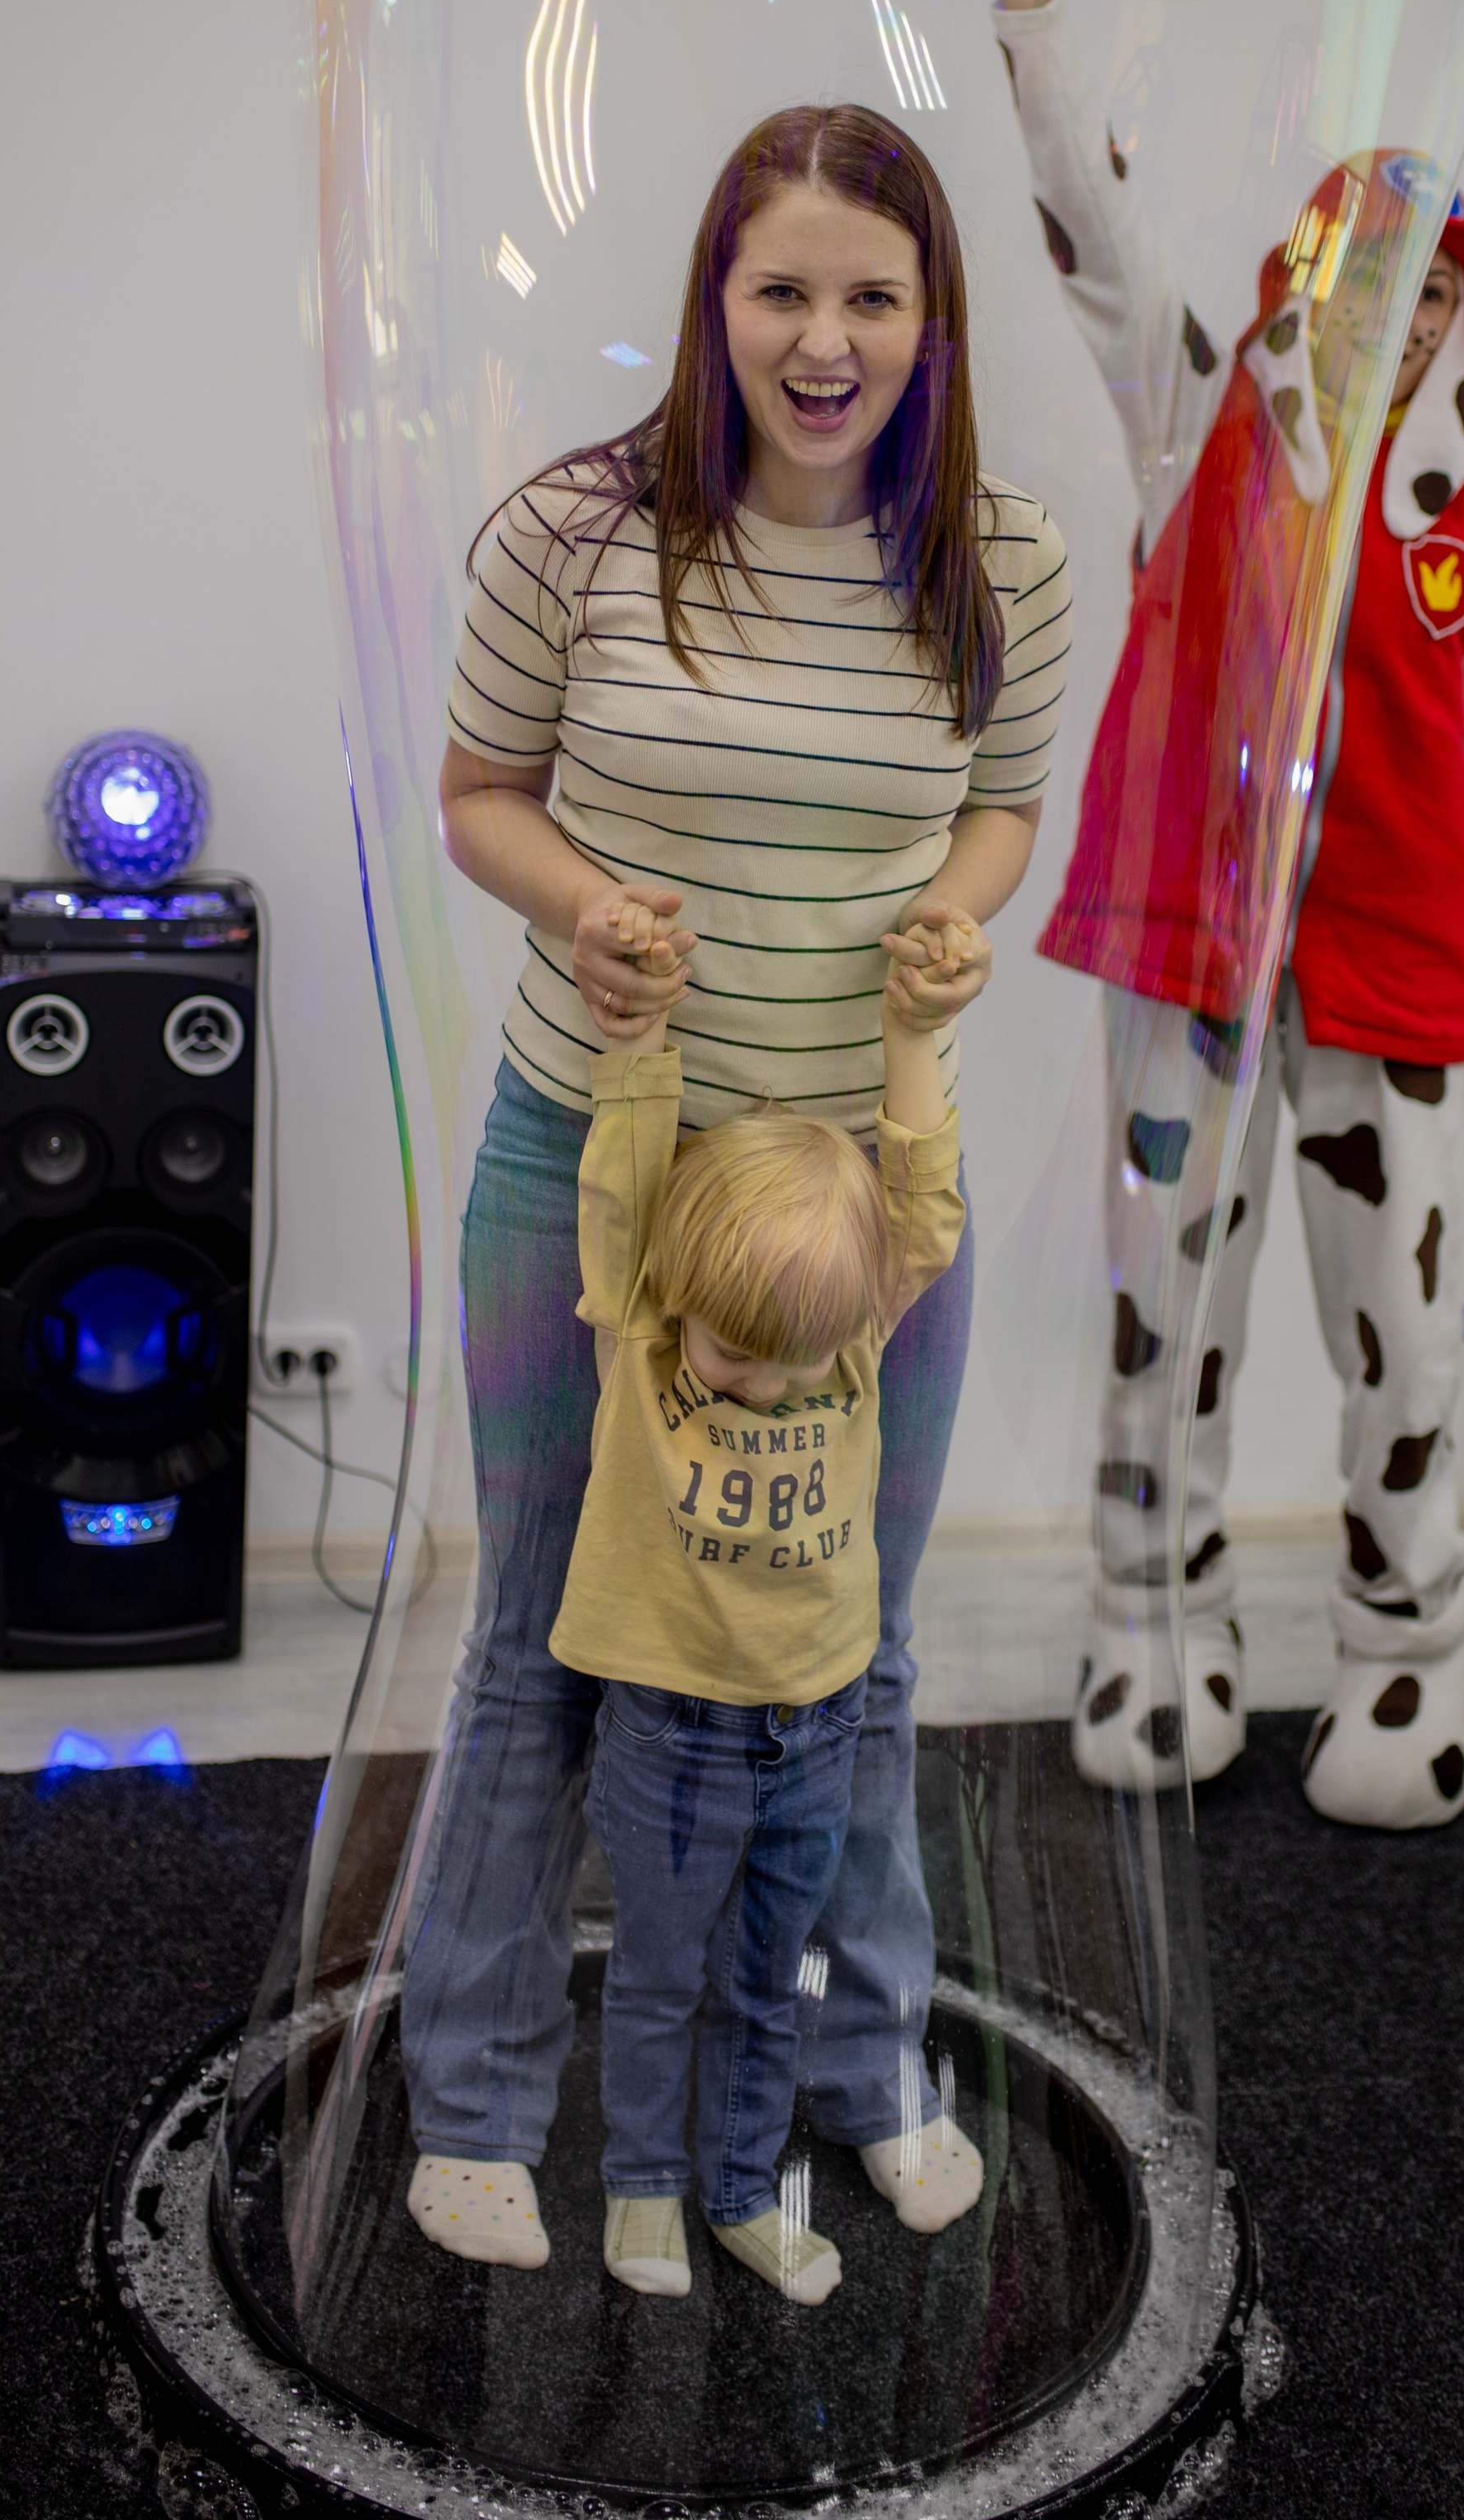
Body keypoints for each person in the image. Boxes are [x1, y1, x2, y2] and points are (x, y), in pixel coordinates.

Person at [399, 102, 1071, 2264]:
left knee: (854, 1651)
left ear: (931, 321)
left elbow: (1004, 810)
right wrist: (585, 903)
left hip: (862, 1213)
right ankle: (483, 2104)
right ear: (713, 302)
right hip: (585, 1161)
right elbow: (479, 794)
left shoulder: (1005, 565)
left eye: (873, 295)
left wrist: (962, 919)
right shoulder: (576, 534)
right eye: (781, 288)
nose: (824, 337)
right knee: (541, 1639)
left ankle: (860, 2073)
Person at [942, 0, 1464, 1831]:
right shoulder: (1195, 422)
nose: (1381, 315)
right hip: (1190, 965)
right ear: (1300, 277)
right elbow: (1085, 214)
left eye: (1423, 293)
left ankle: (1408, 1664)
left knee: (1391, 1339)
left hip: (1387, 988)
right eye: (1354, 271)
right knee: (1167, 1317)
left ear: (1452, 327)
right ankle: (1155, 1622)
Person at [548, 895, 975, 2306]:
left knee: (766, 1977)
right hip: (672, 1731)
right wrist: (646, 1035)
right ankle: (642, 2191)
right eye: (739, 1357)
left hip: (819, 1722)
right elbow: (621, 1180)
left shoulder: (843, 1341)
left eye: (796, 1367)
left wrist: (914, 1034)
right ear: (680, 1301)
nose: (765, 1385)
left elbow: (918, 1205)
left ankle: (740, 2189)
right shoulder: (647, 1331)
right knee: (662, 1980)